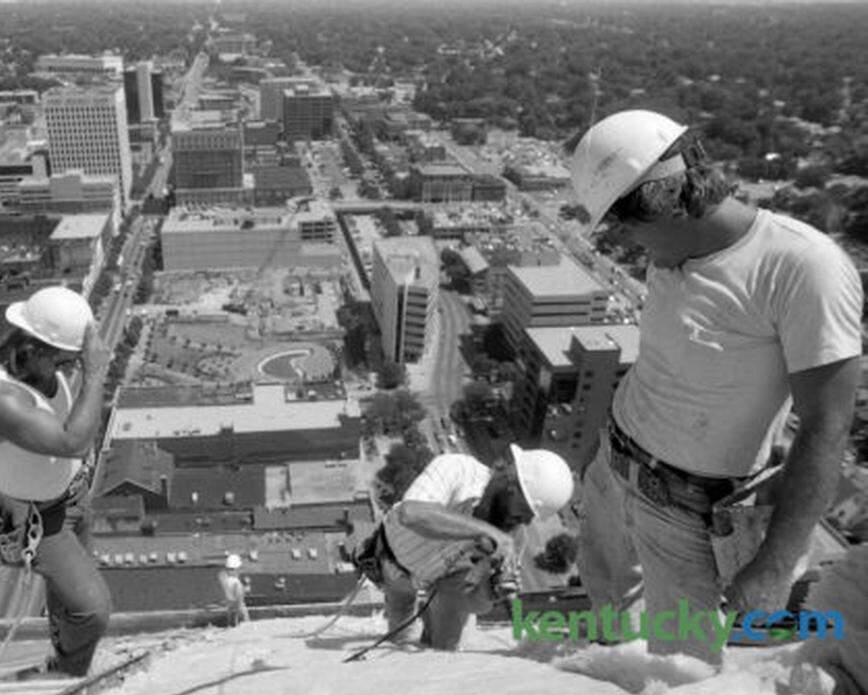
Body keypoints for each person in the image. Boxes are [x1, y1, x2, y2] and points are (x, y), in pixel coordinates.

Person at [568, 110, 861, 664]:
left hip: (687, 522)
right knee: (608, 612)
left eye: (625, 225)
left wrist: (775, 563)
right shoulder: (673, 252)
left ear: (664, 203)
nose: (626, 242)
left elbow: (827, 427)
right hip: (613, 470)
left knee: (676, 675)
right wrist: (599, 454)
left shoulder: (801, 268)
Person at [0, 285, 114, 678]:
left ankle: (61, 641)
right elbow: (72, 442)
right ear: (35, 352)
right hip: (33, 518)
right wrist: (96, 373)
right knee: (92, 611)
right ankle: (67, 671)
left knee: (69, 597)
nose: (71, 371)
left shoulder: (39, 367)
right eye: (66, 363)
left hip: (70, 496)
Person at [349, 448, 574, 651]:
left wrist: (492, 592)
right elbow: (411, 514)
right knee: (398, 636)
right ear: (511, 483)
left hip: (439, 586)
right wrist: (485, 532)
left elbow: (477, 604)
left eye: (531, 517)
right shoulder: (457, 469)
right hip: (392, 566)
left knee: (440, 652)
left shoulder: (513, 536)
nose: (525, 521)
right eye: (525, 510)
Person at [218, 554, 250, 626]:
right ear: (237, 568)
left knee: (231, 624)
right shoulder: (236, 583)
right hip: (239, 608)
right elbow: (239, 598)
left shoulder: (224, 579)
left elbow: (222, 574)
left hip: (229, 607)